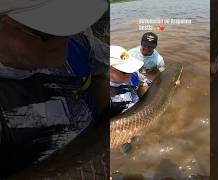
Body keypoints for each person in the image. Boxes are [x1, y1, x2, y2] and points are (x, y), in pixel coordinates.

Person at [0, 0, 108, 177]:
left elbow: (101, 71)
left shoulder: (79, 38)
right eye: (47, 31)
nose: (65, 40)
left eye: (70, 25)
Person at [110, 45, 151, 117]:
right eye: (124, 71)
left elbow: (147, 82)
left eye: (130, 69)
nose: (129, 75)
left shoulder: (133, 74)